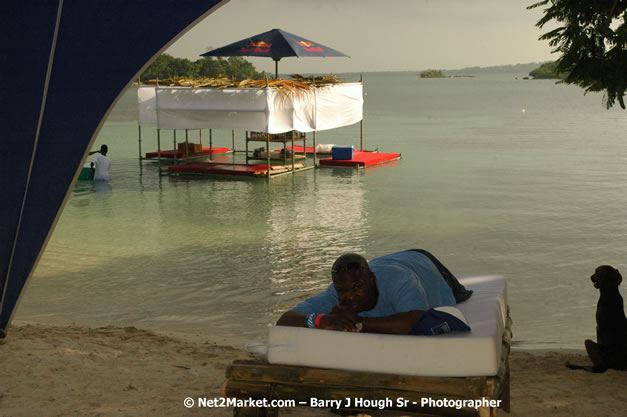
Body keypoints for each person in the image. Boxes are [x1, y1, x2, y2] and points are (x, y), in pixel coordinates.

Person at [276, 249, 473, 335]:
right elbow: (286, 320)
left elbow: (415, 320)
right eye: (343, 290)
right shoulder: (335, 294)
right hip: (389, 260)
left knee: (462, 295)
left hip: (425, 264)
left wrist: (359, 324)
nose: (349, 296)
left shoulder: (399, 280)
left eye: (357, 288)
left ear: (371, 279)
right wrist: (321, 320)